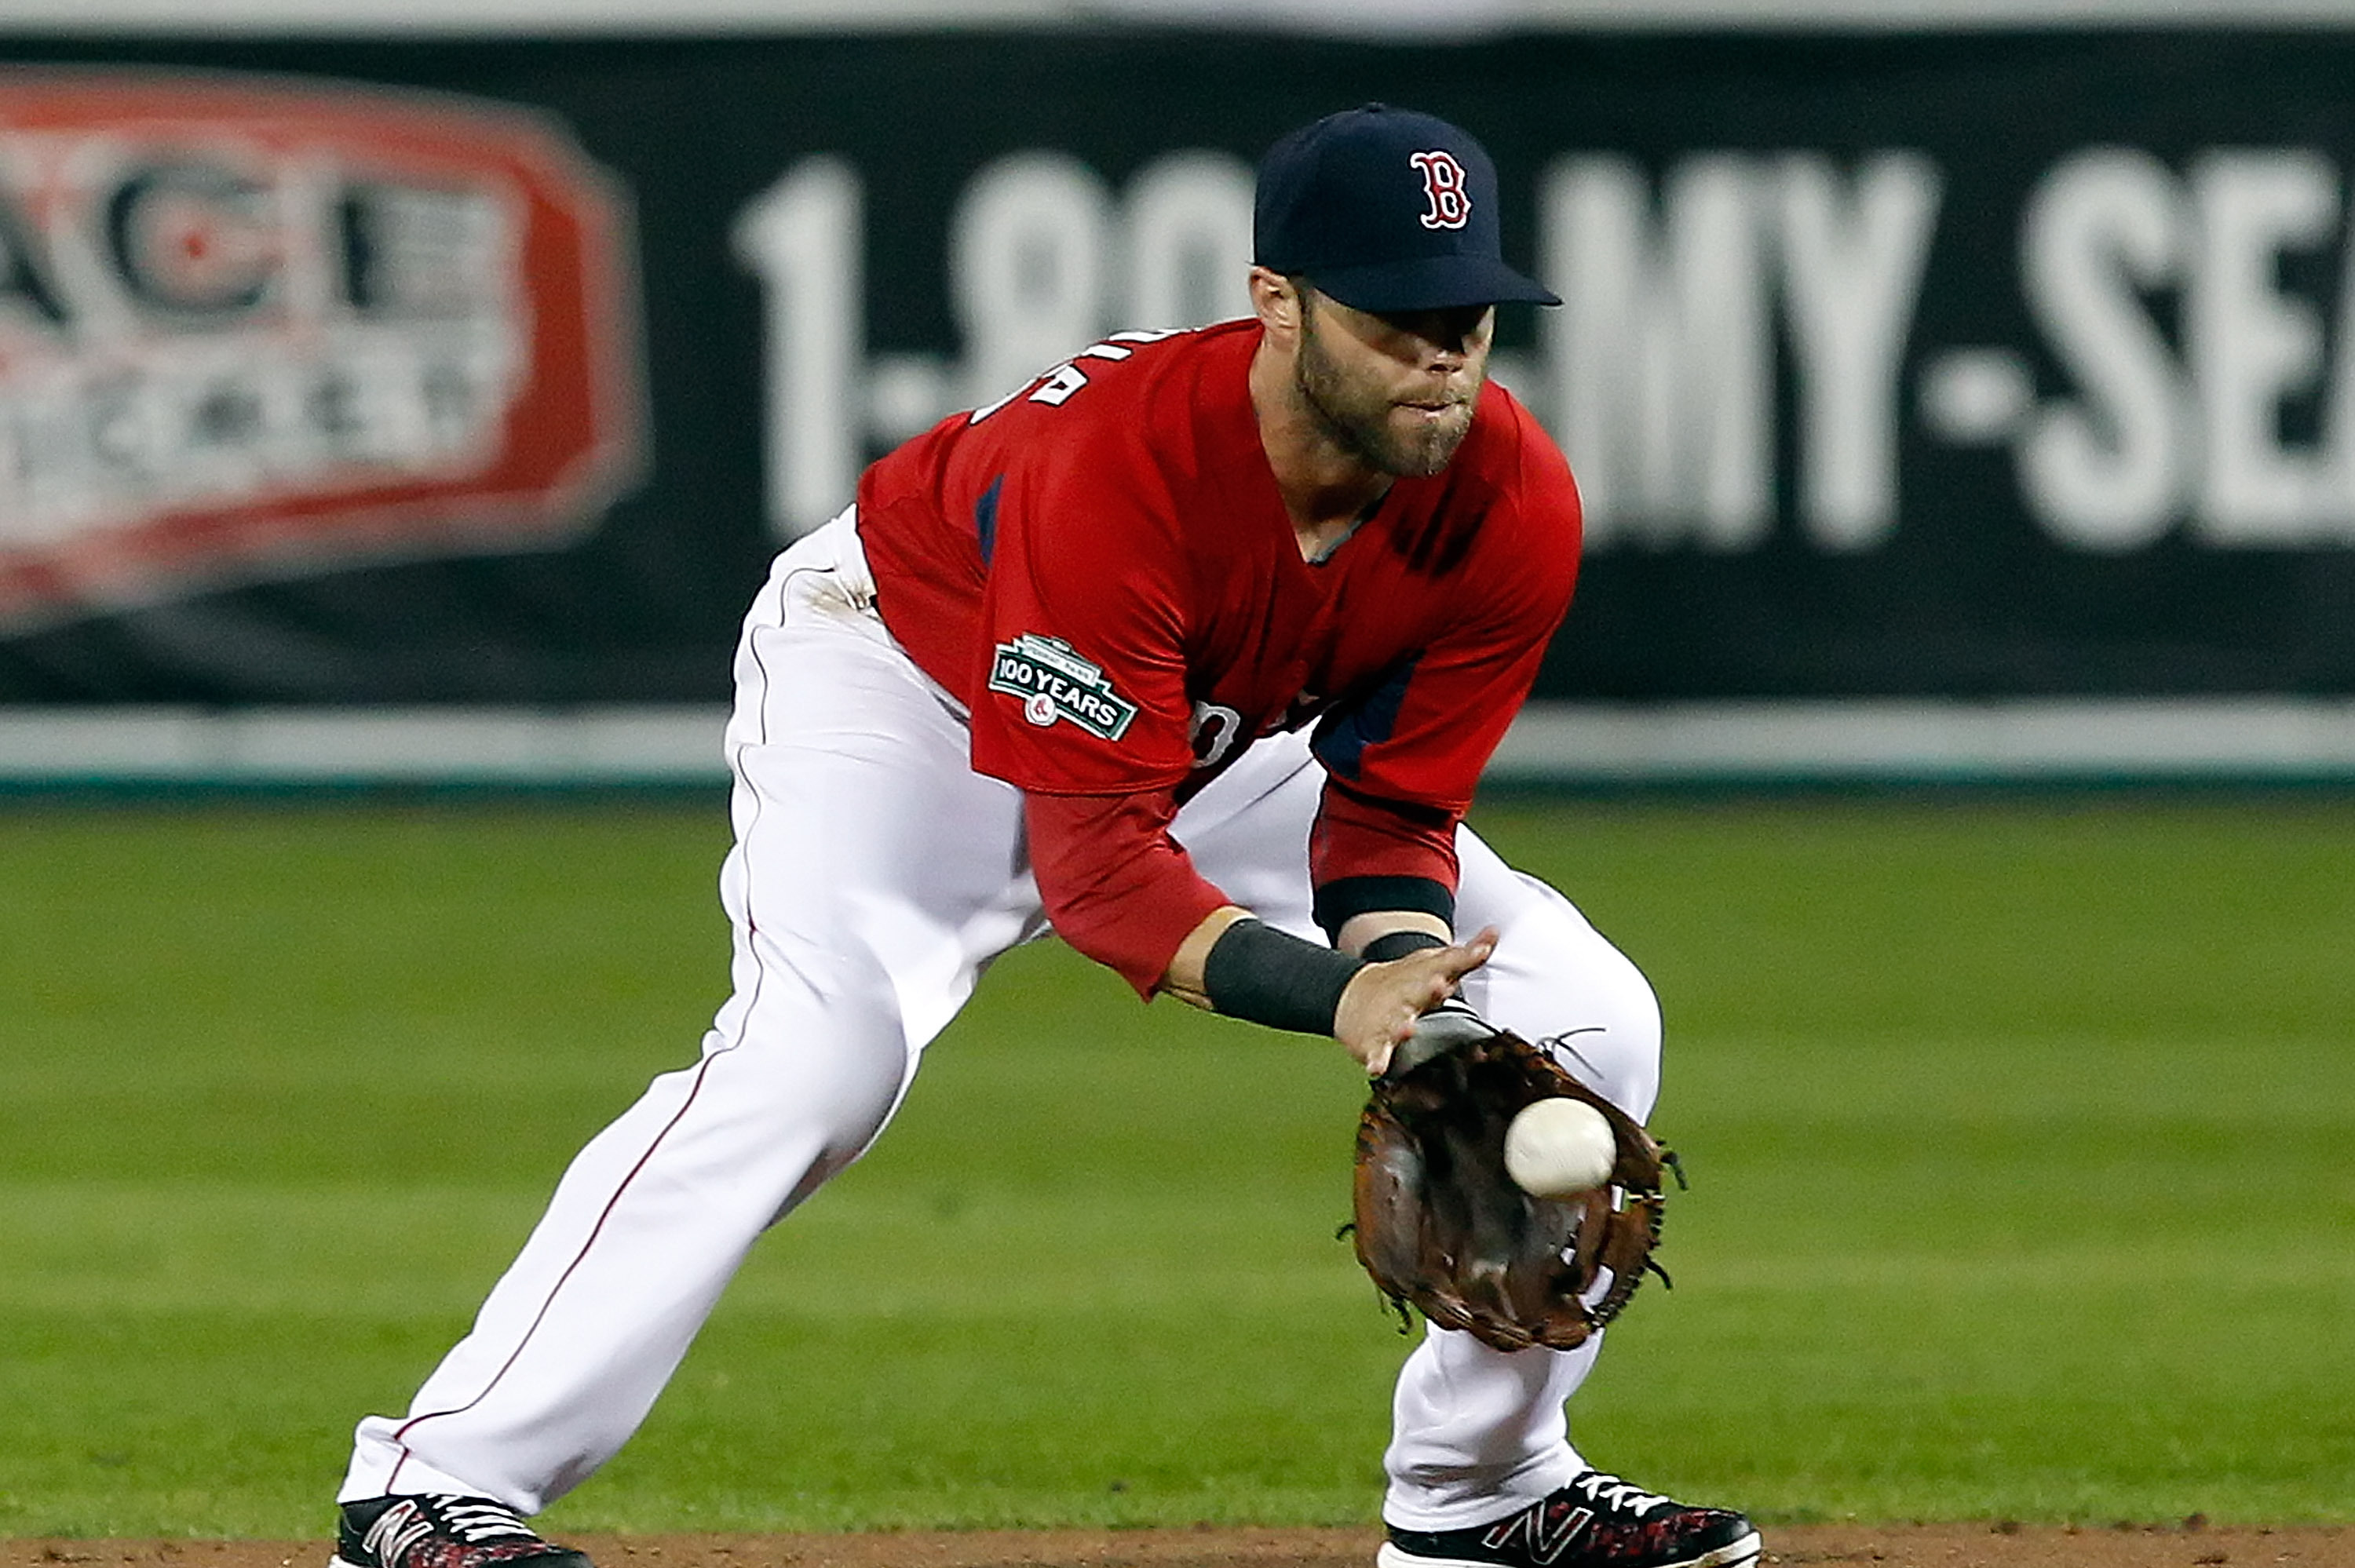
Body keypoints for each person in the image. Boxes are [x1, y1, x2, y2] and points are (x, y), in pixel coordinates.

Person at [327, 104, 1762, 1568]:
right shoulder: (1122, 471)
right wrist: (1341, 998)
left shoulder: (1508, 496)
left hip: (1193, 728)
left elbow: (1390, 807)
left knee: (1581, 1006)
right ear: (1276, 303)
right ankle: (429, 1484)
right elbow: (1103, 878)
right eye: (1396, 316)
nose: (1442, 354)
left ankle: (1480, 1489)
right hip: (904, 689)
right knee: (816, 1062)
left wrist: (1410, 988)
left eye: (1468, 314)